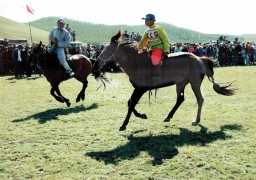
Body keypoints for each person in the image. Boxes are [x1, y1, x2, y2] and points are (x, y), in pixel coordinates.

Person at [138, 13, 170, 82]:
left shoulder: (158, 28)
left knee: (155, 58)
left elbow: (165, 39)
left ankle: (157, 77)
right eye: (145, 20)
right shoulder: (147, 30)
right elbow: (143, 41)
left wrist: (166, 50)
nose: (145, 21)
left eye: (147, 20)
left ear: (152, 20)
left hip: (159, 48)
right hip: (151, 49)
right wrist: (138, 48)